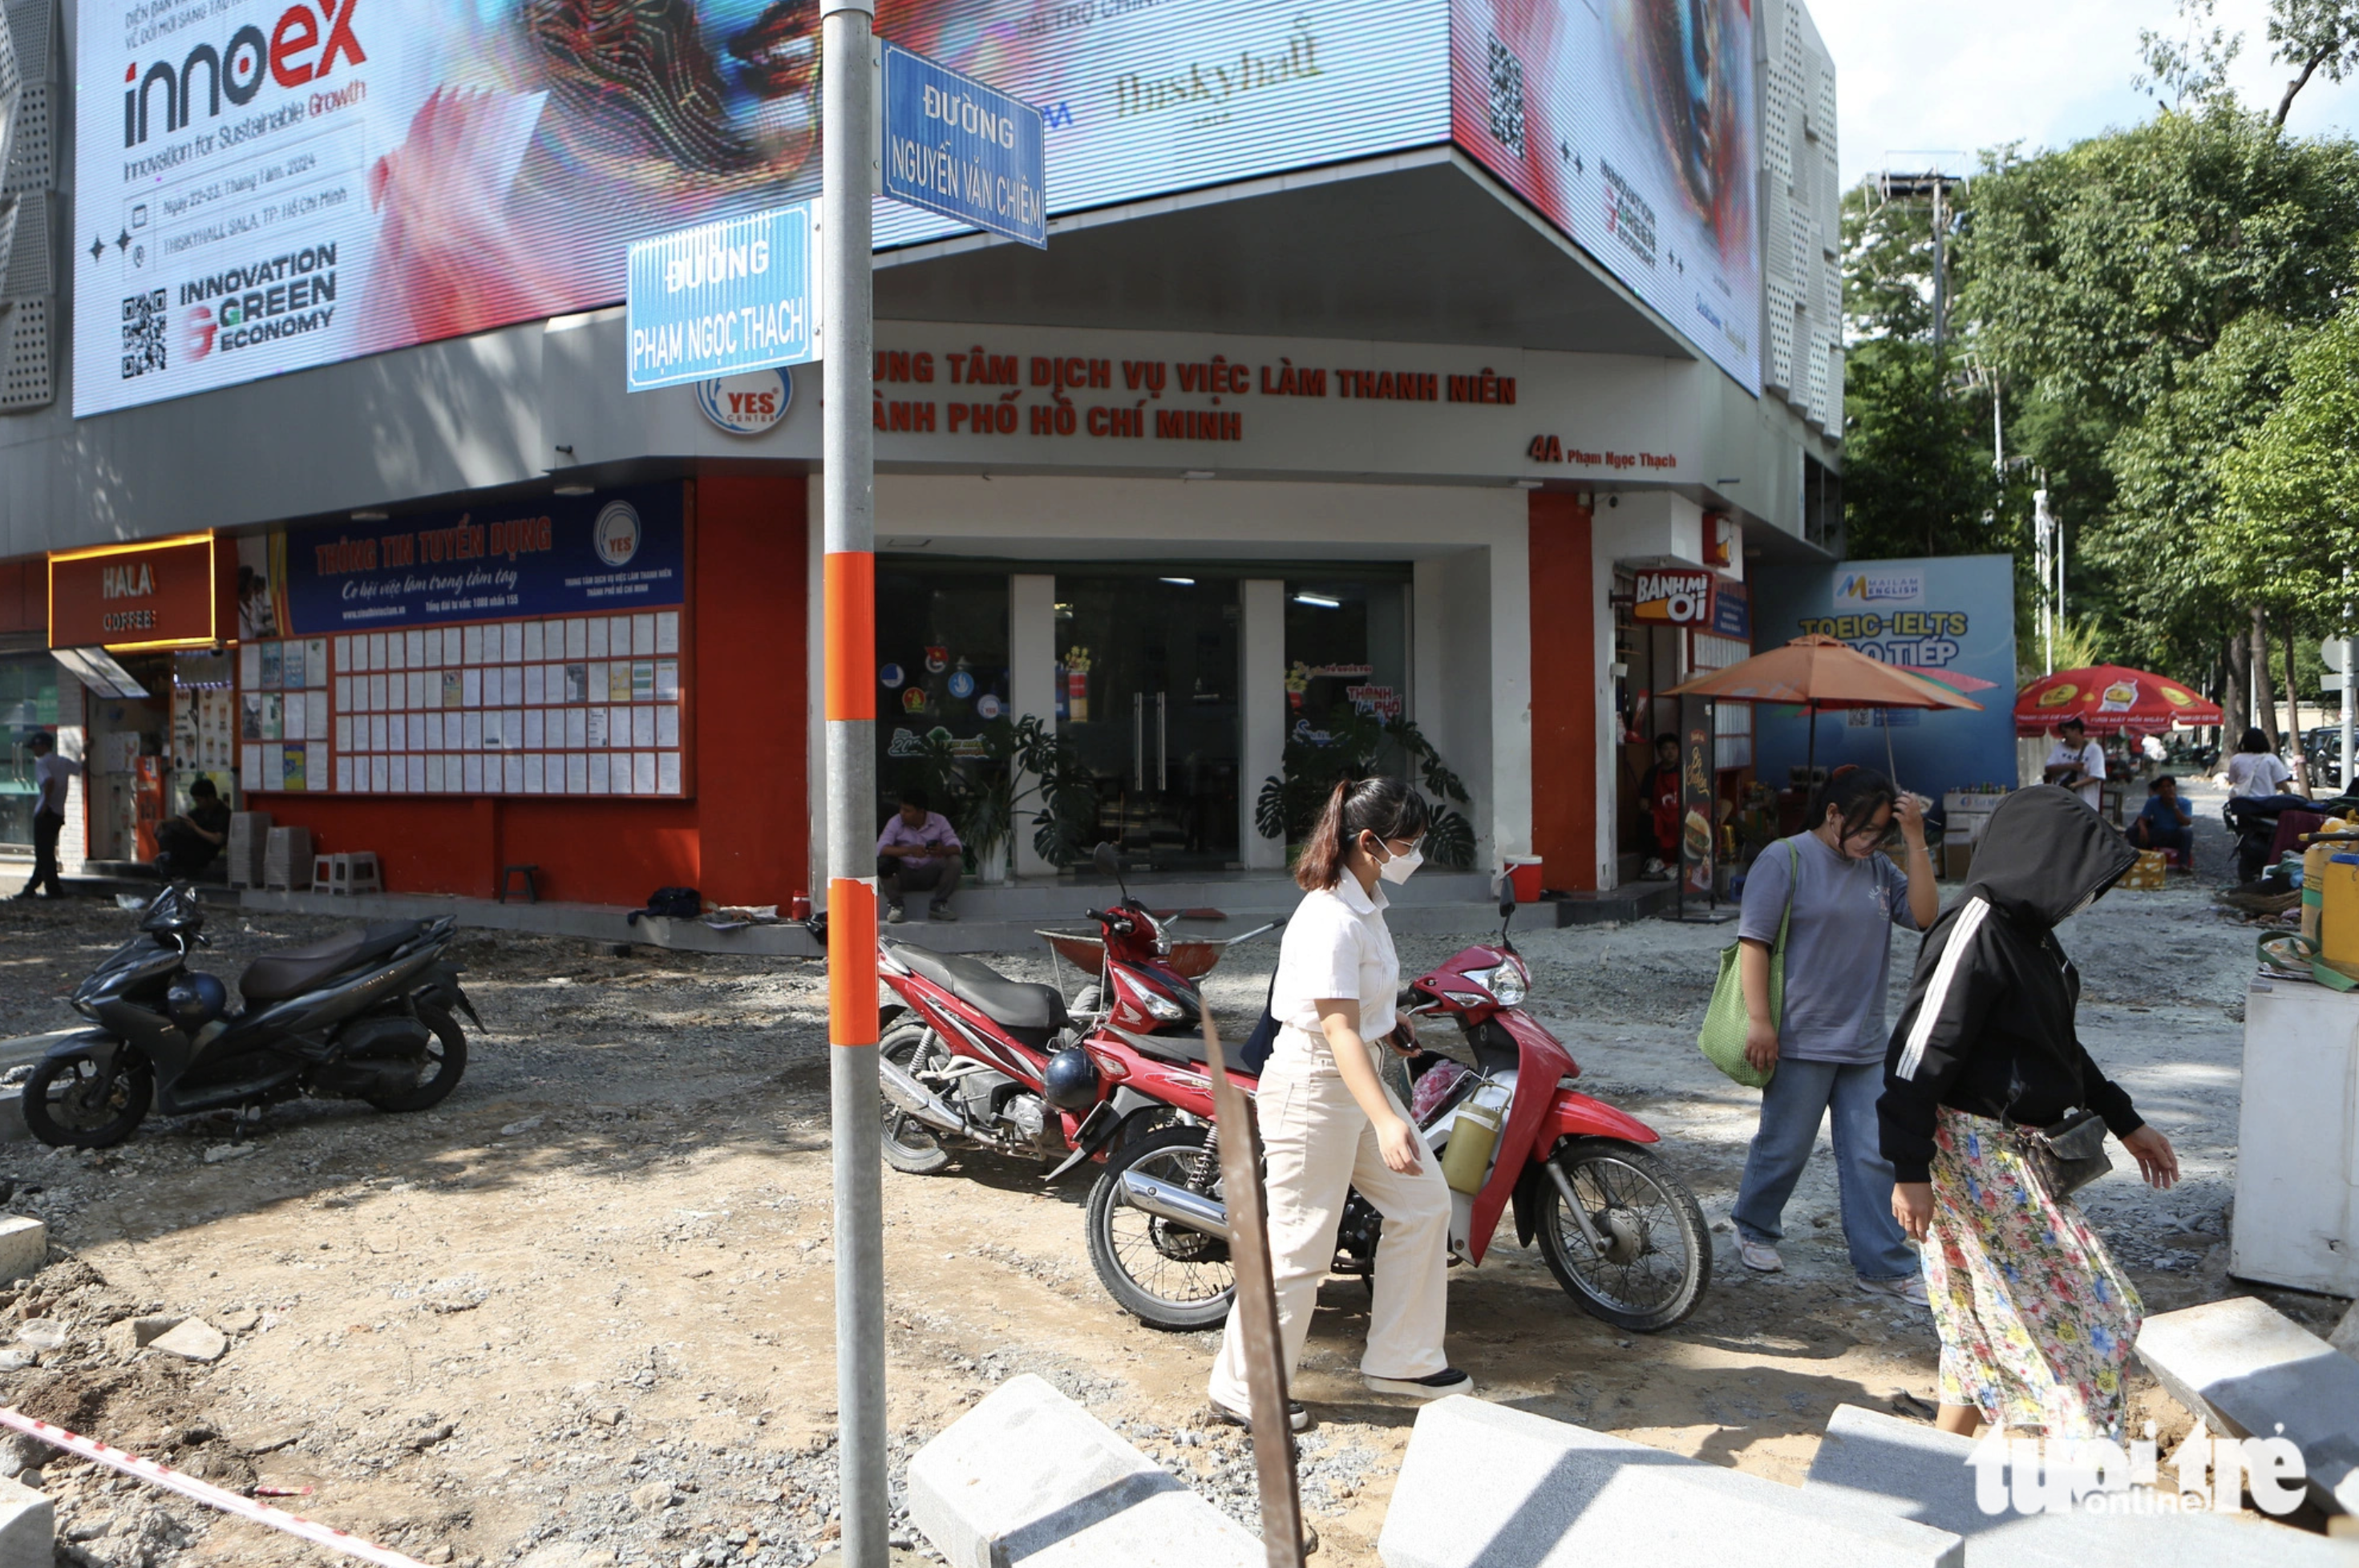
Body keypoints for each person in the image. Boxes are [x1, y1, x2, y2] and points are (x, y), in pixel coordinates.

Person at [1880, 786, 2179, 1441]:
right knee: (2096, 1312)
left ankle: (1936, 1457)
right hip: (1977, 1153)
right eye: (2081, 877)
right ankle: (2088, 1464)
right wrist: (1909, 1171)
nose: (2086, 896)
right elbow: (1914, 1057)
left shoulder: (2030, 934)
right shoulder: (1973, 929)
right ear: (2042, 859)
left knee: (1975, 1311)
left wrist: (2126, 1121)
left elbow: (2056, 1044)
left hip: (2016, 1153)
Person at [1207, 777, 1467, 1431]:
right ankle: (1246, 1389)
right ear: (1370, 842)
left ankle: (1402, 1358)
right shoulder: (1327, 917)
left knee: (1425, 1204)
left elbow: (1359, 1009)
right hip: (1314, 1087)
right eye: (1408, 844)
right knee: (1300, 1245)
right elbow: (1335, 1028)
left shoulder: (1366, 901)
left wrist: (1393, 1023)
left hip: (1357, 1076)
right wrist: (1385, 1119)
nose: (1416, 855)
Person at [1730, 766, 1938, 1303]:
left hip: (1865, 1039)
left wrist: (1914, 841)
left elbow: (1924, 915)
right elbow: (1754, 943)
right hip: (1799, 1037)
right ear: (1833, 816)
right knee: (1785, 1145)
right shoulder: (1785, 858)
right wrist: (1760, 1022)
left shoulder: (1877, 868)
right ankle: (1754, 1227)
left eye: (1882, 834)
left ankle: (1884, 1265)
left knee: (1875, 1152)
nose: (1872, 843)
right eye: (1866, 831)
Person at [876, 787, 962, 923]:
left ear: (921, 812)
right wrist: (909, 851)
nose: (902, 813)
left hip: (930, 872)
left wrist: (942, 850)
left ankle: (938, 905)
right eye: (902, 809)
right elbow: (880, 848)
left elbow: (957, 847)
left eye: (907, 811)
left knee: (955, 862)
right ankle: (896, 906)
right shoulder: (896, 821)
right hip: (904, 874)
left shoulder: (939, 821)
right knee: (884, 862)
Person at [14, 733, 78, 899]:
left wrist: (45, 805)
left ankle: (50, 888)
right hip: (58, 812)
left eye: (35, 747)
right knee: (46, 852)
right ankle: (35, 887)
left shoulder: (42, 763)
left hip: (46, 812)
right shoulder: (63, 762)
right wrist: (86, 750)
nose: (34, 750)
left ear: (43, 746)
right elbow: (80, 767)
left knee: (44, 853)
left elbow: (49, 782)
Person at [154, 778, 232, 878]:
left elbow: (218, 839)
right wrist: (163, 822)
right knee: (170, 833)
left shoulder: (223, 813)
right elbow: (183, 818)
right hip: (194, 846)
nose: (197, 803)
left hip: (207, 850)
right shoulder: (200, 811)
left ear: (210, 797)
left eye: (199, 800)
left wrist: (195, 828)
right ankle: (167, 861)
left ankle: (172, 865)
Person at [2041, 717, 2106, 811]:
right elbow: (2048, 768)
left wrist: (2075, 785)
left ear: (2076, 731)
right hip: (2062, 803)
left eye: (2065, 732)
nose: (2064, 736)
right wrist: (2069, 766)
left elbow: (2097, 775)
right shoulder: (2060, 747)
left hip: (2086, 803)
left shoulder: (2094, 750)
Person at [2127, 775, 2192, 864]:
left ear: (2175, 788)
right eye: (2163, 787)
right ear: (2159, 790)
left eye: (2169, 786)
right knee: (2132, 830)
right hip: (2157, 833)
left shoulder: (2185, 802)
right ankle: (2140, 859)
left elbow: (2187, 822)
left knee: (2187, 832)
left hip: (2174, 835)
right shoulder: (2153, 801)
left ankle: (2183, 864)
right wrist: (2143, 828)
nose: (2166, 789)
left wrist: (2174, 806)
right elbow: (2142, 819)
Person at [1643, 733, 1681, 877]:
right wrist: (1647, 808)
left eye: (1673, 748)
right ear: (1659, 752)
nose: (1670, 752)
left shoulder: (1687, 771)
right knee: (1646, 821)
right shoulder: (1652, 773)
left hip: (1680, 812)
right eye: (1666, 749)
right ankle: (1655, 860)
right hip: (1660, 812)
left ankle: (1679, 863)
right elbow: (1644, 800)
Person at [2223, 726, 2293, 799]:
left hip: (2244, 802)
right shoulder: (2271, 759)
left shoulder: (2236, 759)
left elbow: (2232, 780)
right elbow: (2282, 783)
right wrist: (2291, 797)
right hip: (2266, 802)